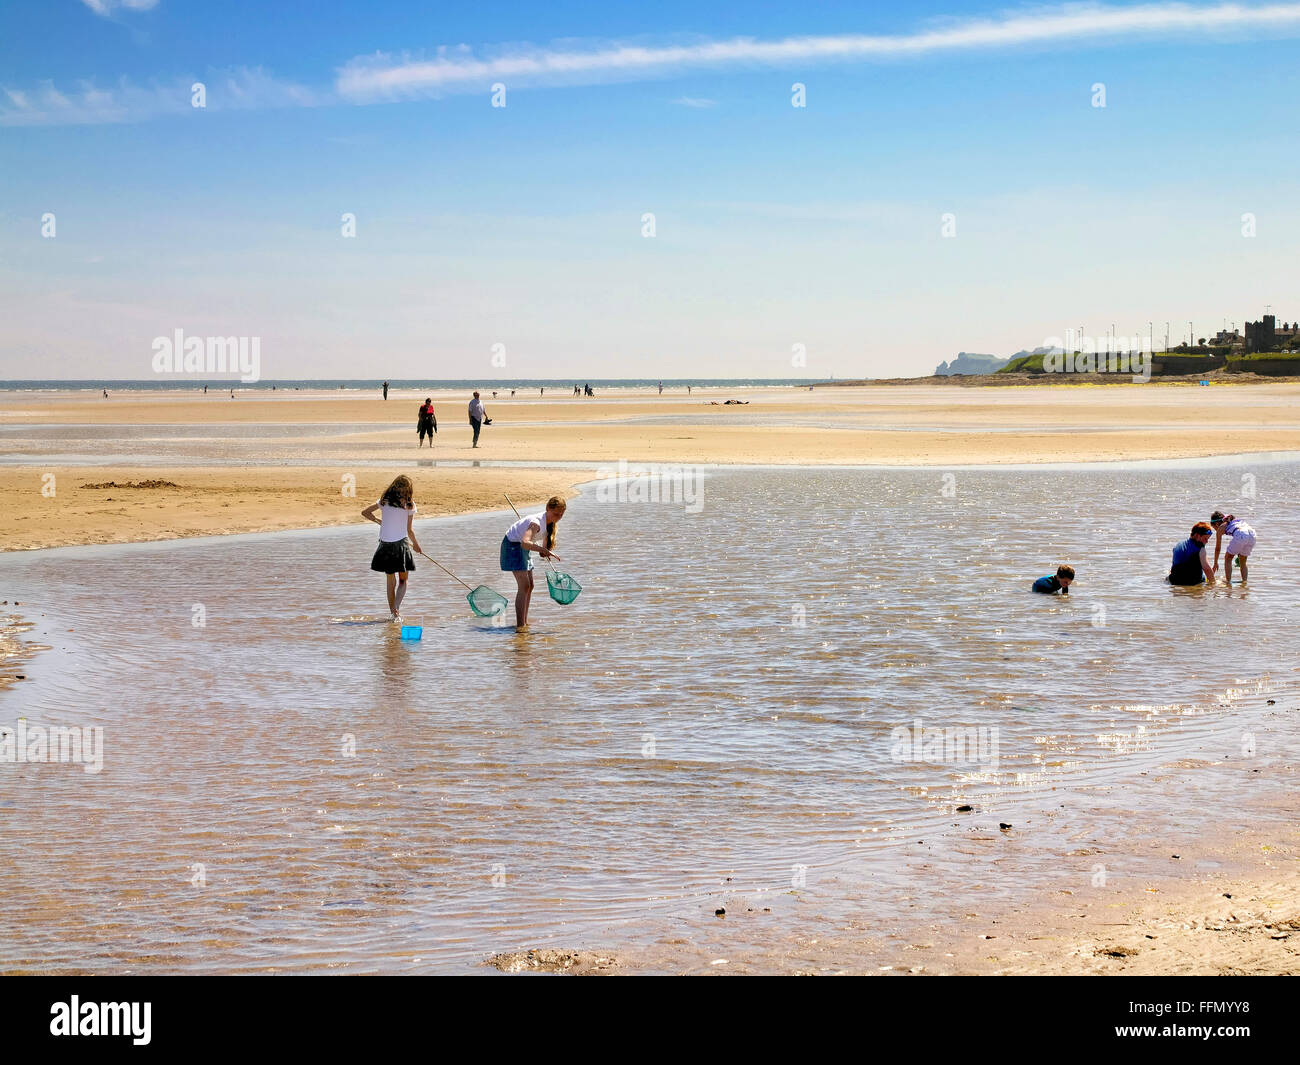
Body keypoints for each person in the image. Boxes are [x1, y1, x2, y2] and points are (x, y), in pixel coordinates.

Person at [500, 497, 567, 631]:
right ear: (548, 509)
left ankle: (524, 622)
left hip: (522, 547)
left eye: (561, 514)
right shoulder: (536, 523)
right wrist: (544, 550)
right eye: (556, 514)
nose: (558, 517)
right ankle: (520, 627)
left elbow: (541, 551)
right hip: (513, 545)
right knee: (524, 586)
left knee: (530, 585)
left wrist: (546, 552)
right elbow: (525, 543)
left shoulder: (550, 524)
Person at [361, 475, 423, 620]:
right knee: (403, 581)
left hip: (385, 545)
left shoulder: (384, 501)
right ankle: (396, 609)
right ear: (408, 489)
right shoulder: (409, 504)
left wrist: (379, 521)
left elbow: (365, 513)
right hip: (401, 545)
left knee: (390, 582)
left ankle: (393, 614)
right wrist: (416, 545)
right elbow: (409, 530)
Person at [1210, 511, 1257, 584]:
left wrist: (1215, 562)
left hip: (1240, 533)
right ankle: (1244, 582)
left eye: (1214, 528)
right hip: (1252, 534)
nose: (1215, 530)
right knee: (1243, 561)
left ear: (1216, 524)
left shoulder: (1220, 528)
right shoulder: (1232, 520)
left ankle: (1228, 582)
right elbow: (1244, 537)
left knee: (1228, 558)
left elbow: (1217, 548)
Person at [1168, 522, 1216, 586]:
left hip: (1175, 580)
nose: (1207, 541)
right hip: (1192, 582)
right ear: (1197, 535)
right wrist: (1213, 583)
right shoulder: (1200, 548)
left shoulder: (1178, 545)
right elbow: (1206, 568)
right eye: (1205, 538)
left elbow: (1175, 565)